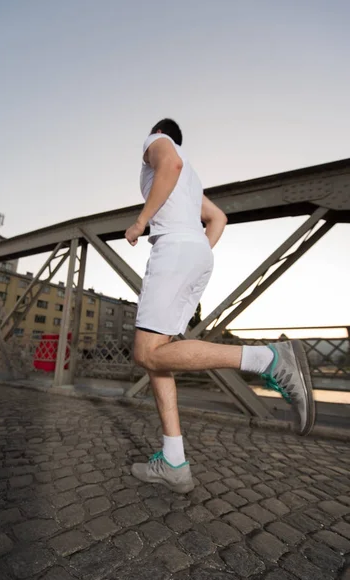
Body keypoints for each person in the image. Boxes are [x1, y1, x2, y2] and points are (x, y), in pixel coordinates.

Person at [125, 118, 315, 494]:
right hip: (194, 249)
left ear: (160, 133)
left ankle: (269, 359)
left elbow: (170, 164)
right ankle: (174, 462)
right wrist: (194, 254)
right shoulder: (189, 181)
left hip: (175, 248)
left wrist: (141, 221)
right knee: (160, 355)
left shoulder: (158, 143)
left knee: (146, 353)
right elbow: (218, 218)